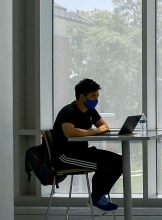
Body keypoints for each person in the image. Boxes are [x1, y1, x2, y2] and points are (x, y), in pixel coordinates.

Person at [52, 78, 122, 212]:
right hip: (65, 156)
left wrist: (97, 130)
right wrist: (94, 132)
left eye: (97, 97)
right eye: (93, 97)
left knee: (120, 161)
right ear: (82, 96)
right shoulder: (68, 111)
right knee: (105, 164)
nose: (95, 100)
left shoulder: (90, 111)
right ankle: (96, 199)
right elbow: (69, 132)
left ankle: (98, 196)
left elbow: (104, 126)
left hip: (82, 152)